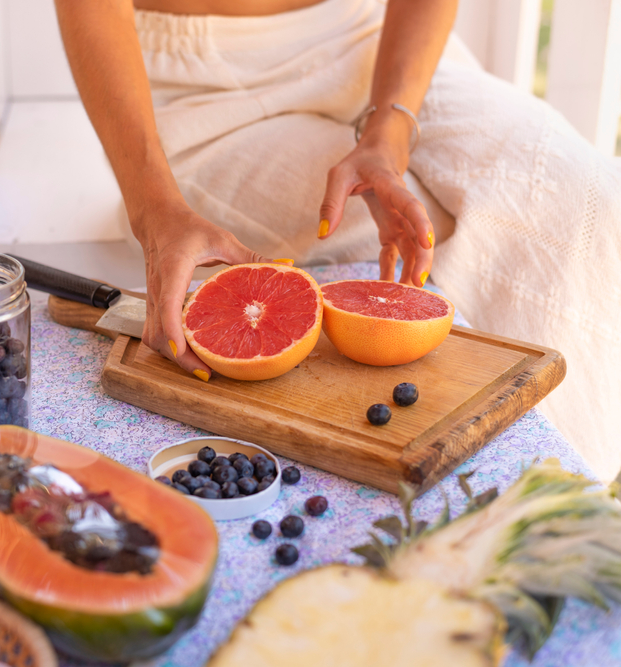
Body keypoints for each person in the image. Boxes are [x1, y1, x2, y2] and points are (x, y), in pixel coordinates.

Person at [52, 0, 621, 479]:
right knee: (426, 232)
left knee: (586, 202)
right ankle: (487, 493)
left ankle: (572, 494)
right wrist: (156, 211)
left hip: (371, 36)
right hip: (202, 78)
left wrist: (390, 132)